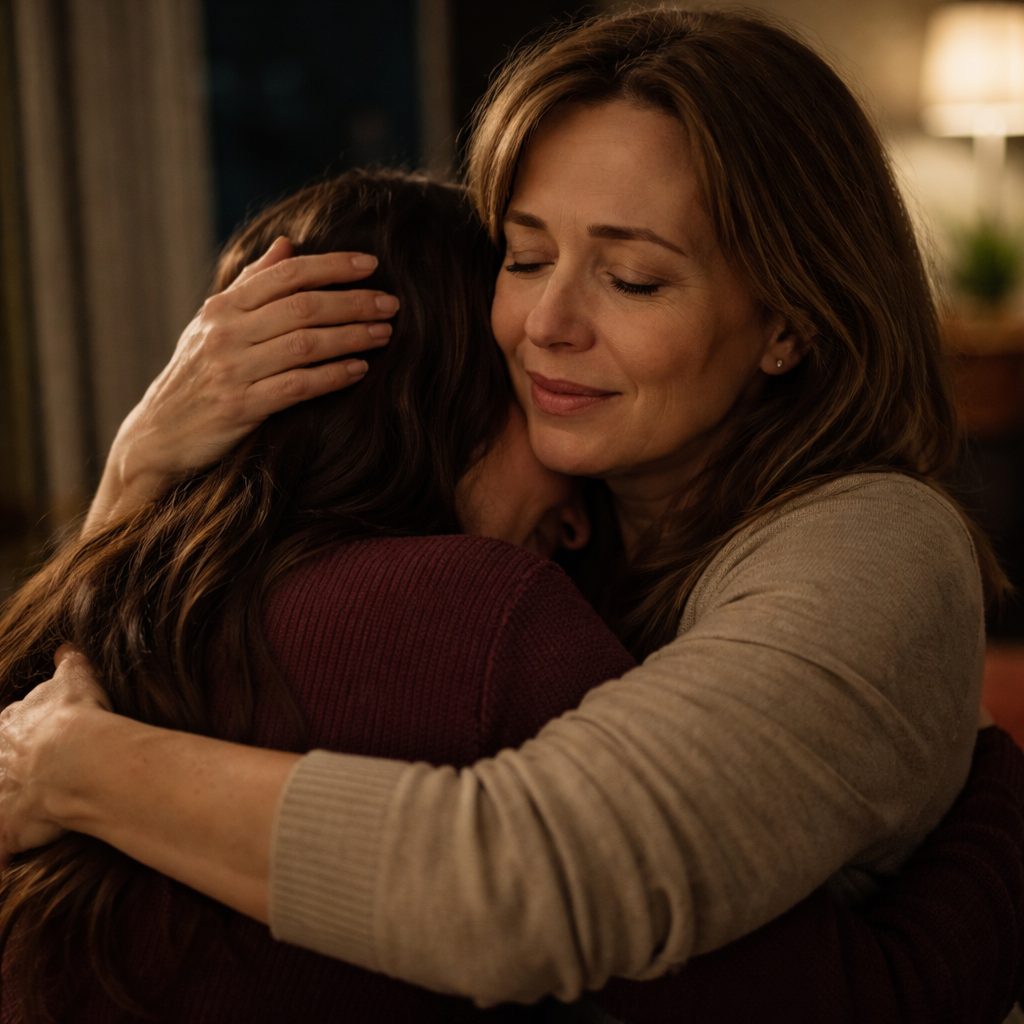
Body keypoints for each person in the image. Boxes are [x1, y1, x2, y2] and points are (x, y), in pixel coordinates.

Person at [0, 7, 1021, 1022]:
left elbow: (525, 882)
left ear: (790, 323)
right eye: (525, 259)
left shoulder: (865, 542)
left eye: (632, 277)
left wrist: (78, 764)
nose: (546, 324)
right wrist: (135, 476)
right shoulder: (542, 540)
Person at [0, 169, 620, 1022]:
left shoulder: (119, 624)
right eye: (532, 391)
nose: (583, 514)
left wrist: (132, 472)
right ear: (446, 392)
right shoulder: (481, 611)